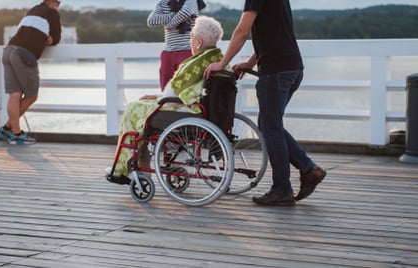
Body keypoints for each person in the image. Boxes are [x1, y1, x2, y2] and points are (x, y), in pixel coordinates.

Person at [203, 0, 326, 206]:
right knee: (270, 125)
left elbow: (243, 30)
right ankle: (308, 169)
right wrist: (250, 63)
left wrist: (222, 63)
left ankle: (282, 189)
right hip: (293, 68)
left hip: (276, 71)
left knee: (270, 126)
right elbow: (272, 33)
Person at [107, 15, 225, 183]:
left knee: (133, 108)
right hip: (196, 109)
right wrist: (156, 97)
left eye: (191, 37)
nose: (190, 41)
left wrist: (158, 98)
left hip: (184, 111)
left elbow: (173, 93)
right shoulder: (216, 58)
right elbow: (180, 92)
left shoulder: (196, 62)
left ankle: (124, 167)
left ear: (198, 42)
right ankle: (140, 167)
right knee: (143, 104)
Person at [0, 0, 62, 145]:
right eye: (58, 3)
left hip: (8, 50)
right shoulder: (52, 13)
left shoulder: (32, 10)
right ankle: (14, 132)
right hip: (23, 54)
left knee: (15, 94)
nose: (58, 6)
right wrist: (49, 39)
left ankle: (9, 130)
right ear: (52, 3)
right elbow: (56, 39)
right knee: (31, 95)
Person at [147, 0, 203, 91]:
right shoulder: (164, 2)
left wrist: (169, 25)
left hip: (188, 51)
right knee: (165, 88)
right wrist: (175, 15)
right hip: (168, 53)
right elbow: (151, 21)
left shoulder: (191, 1)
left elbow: (185, 13)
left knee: (186, 88)